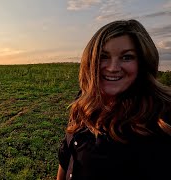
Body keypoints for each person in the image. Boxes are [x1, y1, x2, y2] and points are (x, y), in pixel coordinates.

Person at [57, 19, 171, 180]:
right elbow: (67, 158)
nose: (112, 67)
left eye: (126, 57)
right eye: (103, 57)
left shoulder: (161, 118)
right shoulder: (85, 99)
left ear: (143, 62)